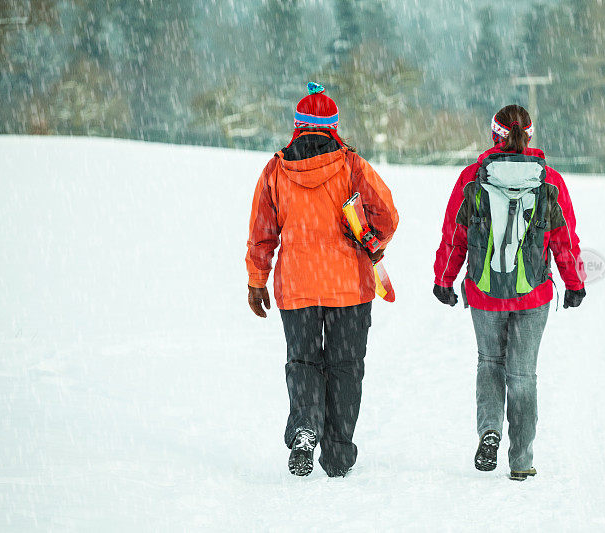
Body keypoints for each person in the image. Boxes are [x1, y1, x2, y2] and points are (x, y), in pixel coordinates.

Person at [246, 83, 399, 478]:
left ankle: (304, 429)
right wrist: (367, 239)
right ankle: (337, 454)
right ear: (333, 126)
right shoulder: (352, 166)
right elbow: (387, 216)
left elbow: (263, 232)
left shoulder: (276, 169)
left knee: (304, 363)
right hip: (348, 287)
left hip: (297, 288)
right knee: (346, 366)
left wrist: (256, 279)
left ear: (298, 127)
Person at [432, 104, 586, 481]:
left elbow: (455, 234)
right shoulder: (550, 181)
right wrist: (574, 282)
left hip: (484, 291)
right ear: (529, 136)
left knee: (489, 362)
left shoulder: (473, 177)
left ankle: (489, 431)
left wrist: (444, 279)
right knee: (523, 375)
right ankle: (521, 461)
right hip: (532, 294)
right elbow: (564, 239)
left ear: (493, 135)